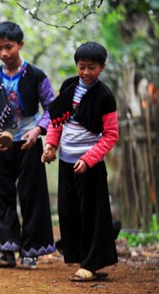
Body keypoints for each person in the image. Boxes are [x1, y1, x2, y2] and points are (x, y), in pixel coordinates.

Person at [0, 21, 56, 269]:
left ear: (20, 45)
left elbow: (52, 108)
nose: (4, 53)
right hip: (0, 144)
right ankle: (8, 248)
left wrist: (38, 131)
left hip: (29, 142)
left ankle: (31, 251)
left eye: (9, 47)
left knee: (32, 196)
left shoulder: (36, 75)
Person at [41, 41, 119, 281]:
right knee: (68, 211)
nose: (86, 72)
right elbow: (57, 120)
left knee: (92, 214)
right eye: (82, 66)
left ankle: (91, 264)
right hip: (66, 162)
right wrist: (51, 146)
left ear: (102, 68)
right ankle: (80, 257)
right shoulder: (68, 86)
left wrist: (89, 159)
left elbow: (111, 135)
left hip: (90, 165)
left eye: (92, 67)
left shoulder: (105, 96)